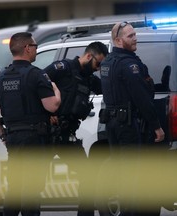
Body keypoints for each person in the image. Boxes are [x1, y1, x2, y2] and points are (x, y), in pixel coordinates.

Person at [0, 32, 61, 216]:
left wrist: (2, 133)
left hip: (13, 138)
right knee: (32, 190)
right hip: (35, 138)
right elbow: (52, 106)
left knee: (15, 188)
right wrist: (56, 90)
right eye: (34, 46)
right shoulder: (36, 75)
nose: (36, 49)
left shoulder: (0, 77)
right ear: (27, 48)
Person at [99, 22, 165, 215]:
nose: (135, 38)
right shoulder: (130, 65)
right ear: (118, 40)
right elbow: (142, 99)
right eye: (130, 36)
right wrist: (156, 126)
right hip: (127, 126)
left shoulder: (107, 62)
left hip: (112, 124)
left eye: (135, 34)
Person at [43, 41, 108, 216]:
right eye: (98, 64)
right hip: (47, 134)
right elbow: (36, 86)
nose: (97, 68)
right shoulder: (62, 68)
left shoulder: (89, 79)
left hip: (67, 135)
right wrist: (47, 112)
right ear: (89, 56)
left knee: (87, 178)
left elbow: (109, 89)